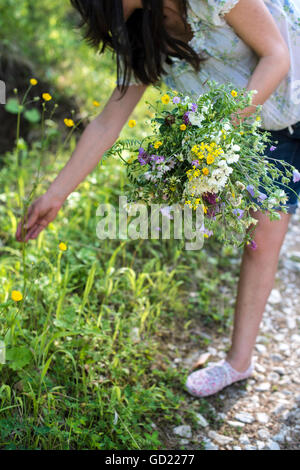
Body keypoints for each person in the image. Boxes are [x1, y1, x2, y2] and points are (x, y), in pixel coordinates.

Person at [15, 0, 300, 397]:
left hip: (277, 96)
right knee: (261, 243)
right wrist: (56, 194)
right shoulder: (141, 33)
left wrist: (218, 133)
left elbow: (277, 55)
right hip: (264, 129)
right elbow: (107, 122)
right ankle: (239, 363)